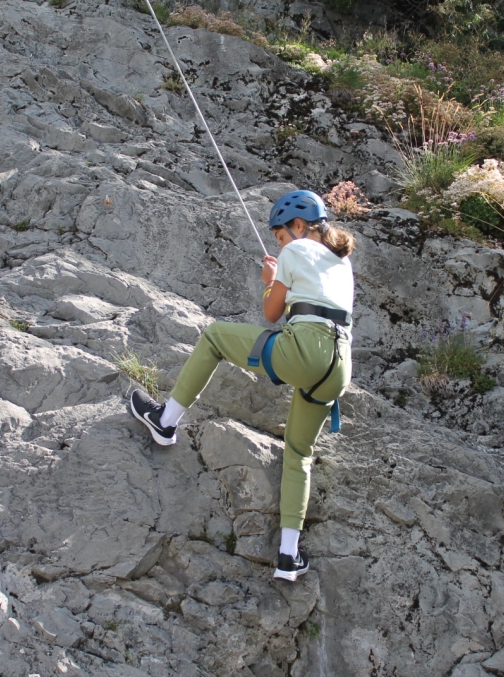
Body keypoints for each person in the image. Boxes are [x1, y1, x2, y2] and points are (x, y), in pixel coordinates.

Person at [129, 190, 355, 582]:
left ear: (298, 226)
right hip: (338, 368)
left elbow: (271, 314)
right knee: (299, 451)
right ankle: (288, 555)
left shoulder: (294, 250)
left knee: (215, 336)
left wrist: (270, 280)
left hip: (305, 349)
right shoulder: (342, 262)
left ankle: (165, 421)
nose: (280, 243)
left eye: (281, 235)